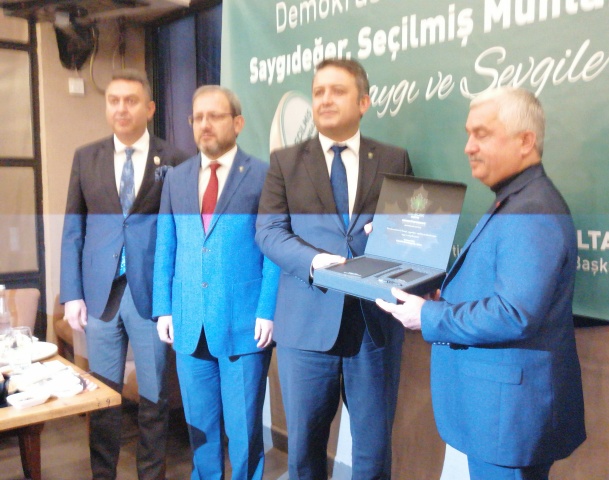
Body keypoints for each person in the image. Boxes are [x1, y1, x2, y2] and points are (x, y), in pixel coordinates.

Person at [377, 87, 586, 479]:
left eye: (483, 134)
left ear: (526, 141)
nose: (469, 147)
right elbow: (502, 289)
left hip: (509, 420)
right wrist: (443, 296)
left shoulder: (532, 209)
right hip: (500, 413)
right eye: (468, 134)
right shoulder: (517, 198)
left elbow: (514, 313)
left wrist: (429, 315)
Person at [256, 58, 413, 479]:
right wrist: (312, 261)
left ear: (363, 102)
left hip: (374, 328)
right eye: (318, 92)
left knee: (373, 453)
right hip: (306, 327)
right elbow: (268, 231)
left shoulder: (395, 159)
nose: (325, 99)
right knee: (305, 452)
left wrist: (392, 234)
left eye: (337, 91)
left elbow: (411, 232)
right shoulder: (285, 162)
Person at [60, 69, 188, 480]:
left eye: (130, 101)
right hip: (100, 295)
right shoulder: (86, 157)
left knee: (153, 399)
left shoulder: (174, 159)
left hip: (151, 294)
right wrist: (71, 293)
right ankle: (103, 474)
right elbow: (73, 228)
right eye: (113, 100)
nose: (121, 108)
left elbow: (182, 232)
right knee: (102, 397)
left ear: (149, 108)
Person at [153, 85, 279, 479]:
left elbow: (274, 249)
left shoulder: (263, 175)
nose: (204, 124)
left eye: (215, 116)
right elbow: (166, 245)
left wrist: (267, 309)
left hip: (244, 326)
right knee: (201, 433)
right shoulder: (176, 178)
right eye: (198, 117)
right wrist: (163, 308)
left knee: (244, 435)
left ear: (237, 123)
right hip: (189, 323)